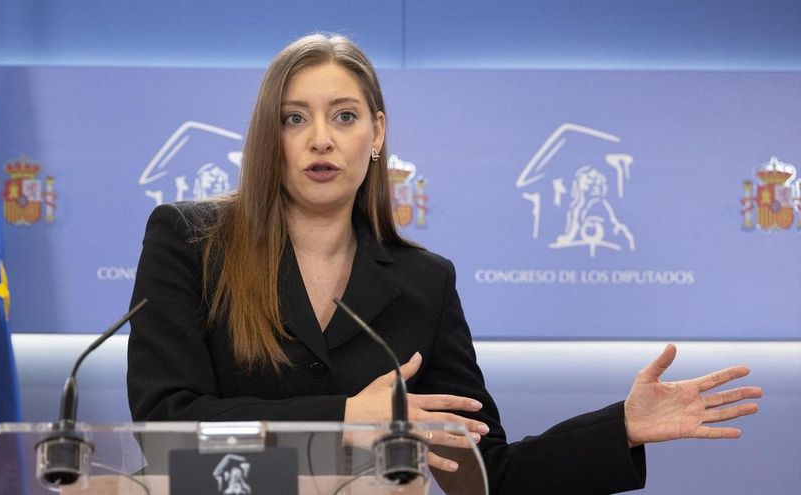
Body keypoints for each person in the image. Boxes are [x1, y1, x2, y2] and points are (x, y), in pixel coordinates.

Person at [127, 33, 762, 494]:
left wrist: (619, 427)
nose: (321, 138)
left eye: (343, 117)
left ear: (375, 134)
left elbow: (486, 471)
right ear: (271, 136)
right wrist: (349, 417)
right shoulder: (190, 240)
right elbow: (165, 425)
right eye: (295, 119)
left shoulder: (421, 282)